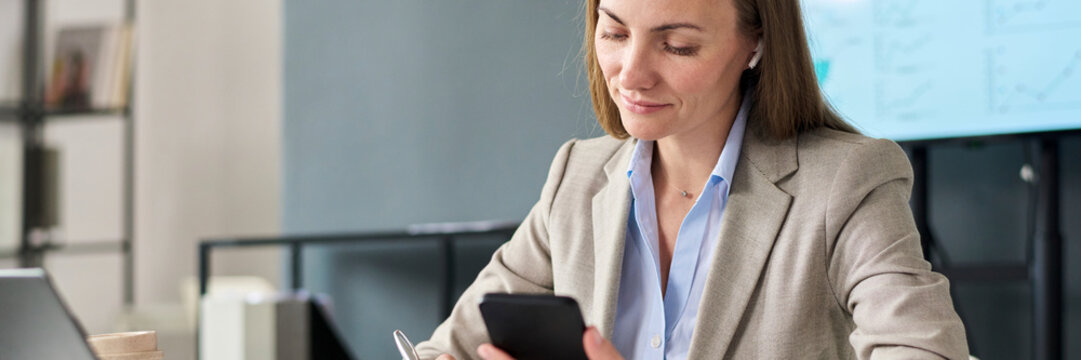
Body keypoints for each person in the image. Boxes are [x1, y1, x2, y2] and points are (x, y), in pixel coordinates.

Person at [415, 0, 969, 359]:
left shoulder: (845, 182)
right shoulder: (578, 177)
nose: (631, 73)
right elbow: (446, 349)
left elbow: (927, 352)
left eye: (676, 45)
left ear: (755, 45)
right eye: (613, 32)